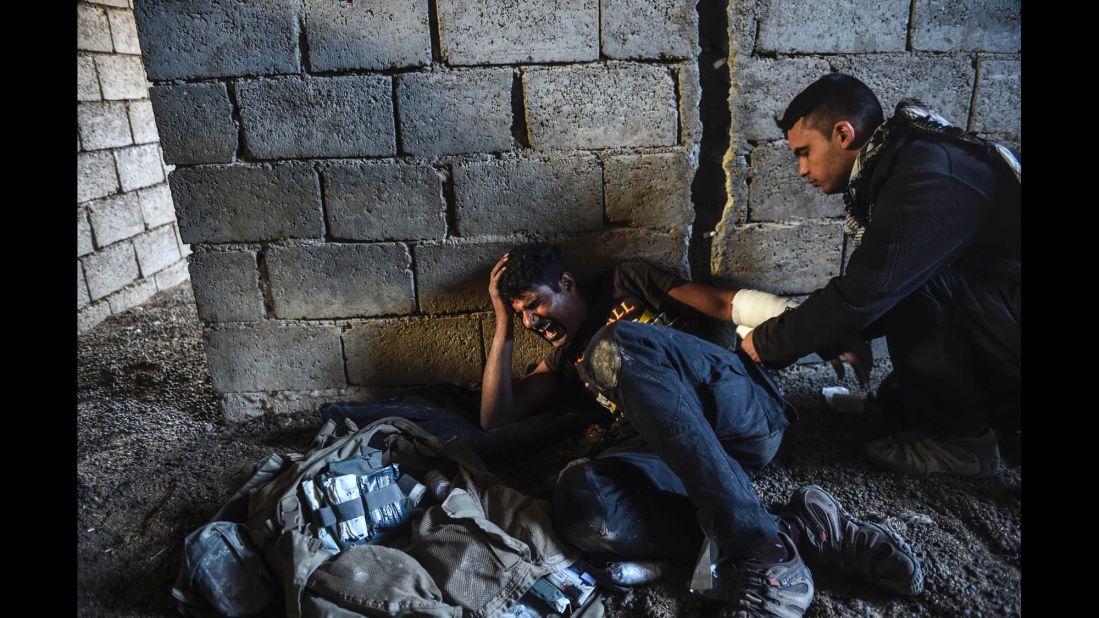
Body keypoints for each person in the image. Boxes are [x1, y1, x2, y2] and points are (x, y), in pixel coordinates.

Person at [480, 242, 923, 616]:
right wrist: (501, 326)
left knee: (612, 347)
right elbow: (495, 420)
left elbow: (725, 304)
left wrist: (820, 328)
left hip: (736, 413)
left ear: (567, 284)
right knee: (581, 503)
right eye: (519, 314)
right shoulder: (563, 362)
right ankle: (793, 532)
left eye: (533, 305)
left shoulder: (626, 281)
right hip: (675, 458)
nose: (530, 321)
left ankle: (759, 549)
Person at [740, 73, 1021, 478]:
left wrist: (764, 346)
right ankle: (948, 410)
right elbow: (869, 294)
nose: (801, 170)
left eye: (805, 152)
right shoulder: (908, 158)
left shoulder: (929, 174)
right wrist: (843, 328)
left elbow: (864, 292)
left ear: (842, 133)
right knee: (894, 313)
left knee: (911, 287)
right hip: (1003, 314)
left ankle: (963, 444)